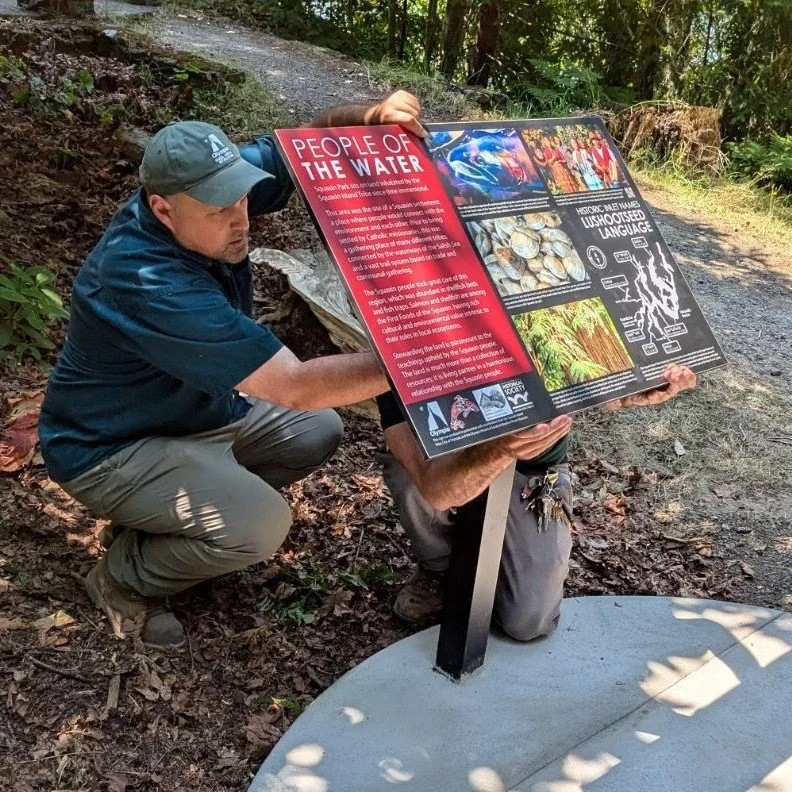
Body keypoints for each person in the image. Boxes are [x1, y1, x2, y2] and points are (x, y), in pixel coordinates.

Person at [38, 91, 425, 648]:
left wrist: (365, 114)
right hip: (109, 449)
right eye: (220, 210)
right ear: (162, 209)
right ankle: (123, 575)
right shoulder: (146, 282)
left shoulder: (205, 184)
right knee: (263, 525)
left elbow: (300, 147)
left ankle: (173, 522)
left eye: (240, 198)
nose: (241, 219)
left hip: (191, 412)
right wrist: (431, 355)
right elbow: (295, 385)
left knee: (319, 431)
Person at [379, 364, 697, 639]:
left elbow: (575, 365)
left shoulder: (536, 293)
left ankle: (504, 564)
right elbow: (399, 434)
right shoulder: (406, 309)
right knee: (411, 474)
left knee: (528, 621)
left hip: (534, 464)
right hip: (443, 450)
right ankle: (438, 565)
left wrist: (627, 387)